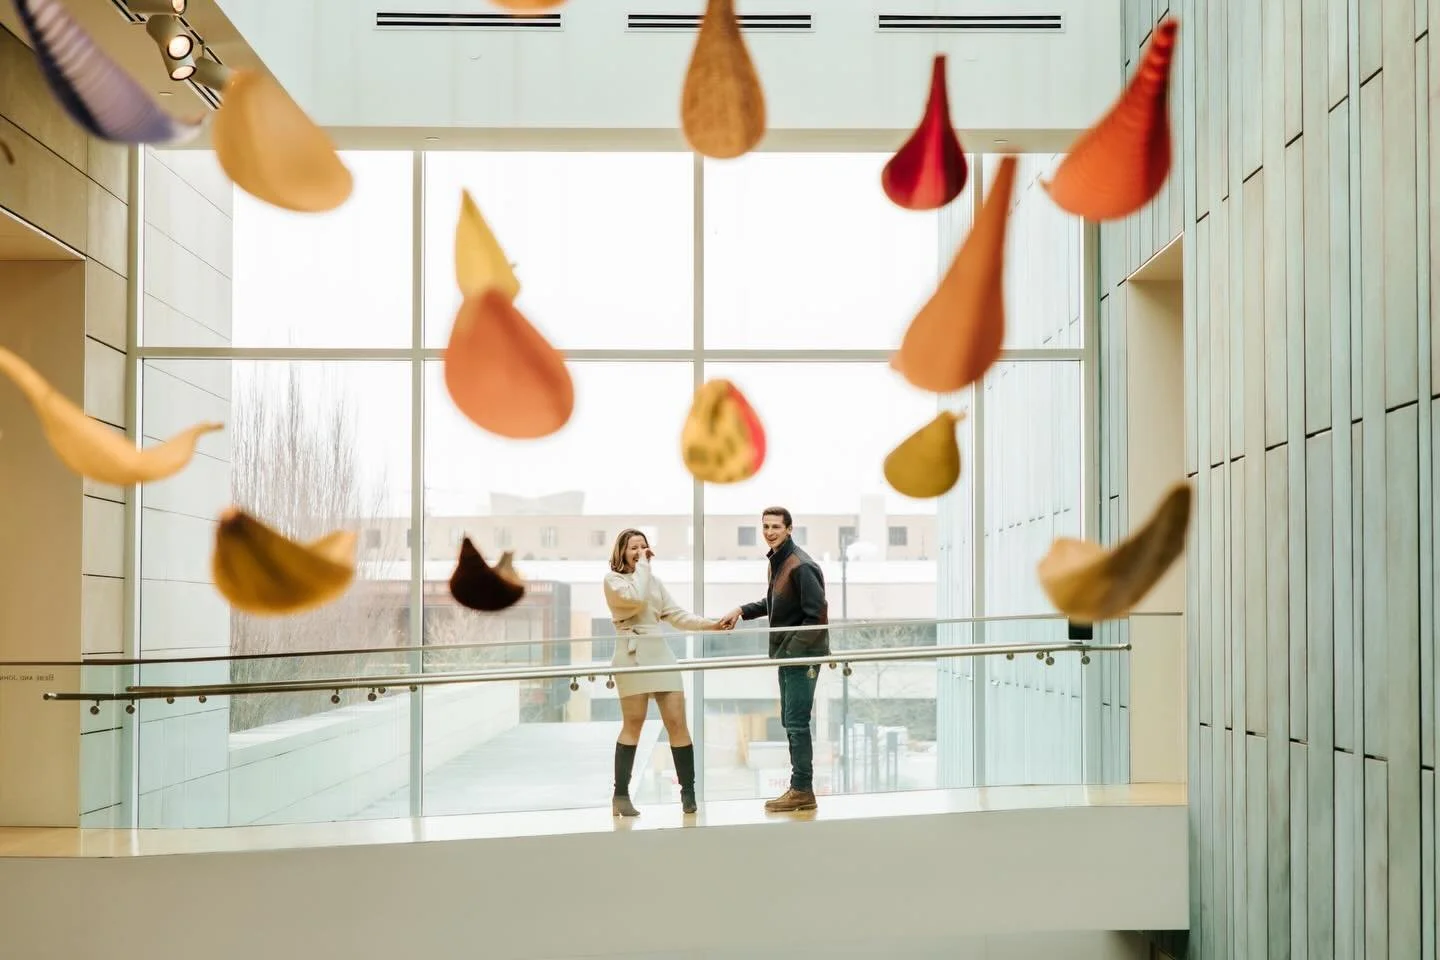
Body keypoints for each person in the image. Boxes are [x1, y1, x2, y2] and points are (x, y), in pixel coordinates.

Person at [603, 527, 729, 817]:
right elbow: (635, 597)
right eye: (633, 547)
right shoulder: (613, 581)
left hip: (659, 654)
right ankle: (620, 795)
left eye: (643, 547)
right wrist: (644, 565)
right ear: (621, 551)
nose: (639, 552)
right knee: (633, 724)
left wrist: (711, 624)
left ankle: (689, 793)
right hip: (631, 656)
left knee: (677, 724)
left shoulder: (654, 582)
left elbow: (677, 615)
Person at [719, 506, 829, 813]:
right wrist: (741, 611)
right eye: (765, 526)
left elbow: (817, 617)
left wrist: (791, 650)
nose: (769, 532)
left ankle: (803, 790)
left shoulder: (801, 565)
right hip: (790, 655)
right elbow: (774, 602)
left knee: (796, 721)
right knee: (790, 721)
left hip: (802, 656)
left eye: (776, 527)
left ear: (789, 529)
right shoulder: (778, 560)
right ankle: (800, 789)